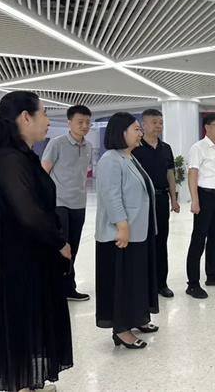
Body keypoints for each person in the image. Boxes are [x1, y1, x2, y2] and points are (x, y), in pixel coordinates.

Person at [0, 91, 73, 392]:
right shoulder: (10, 160)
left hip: (29, 252)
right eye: (44, 113)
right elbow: (29, 214)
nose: (48, 121)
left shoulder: (22, 155)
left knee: (30, 316)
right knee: (21, 317)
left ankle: (28, 383)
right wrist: (60, 242)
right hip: (20, 255)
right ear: (25, 117)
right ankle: (21, 385)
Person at [95, 112, 159, 349]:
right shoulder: (110, 159)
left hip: (138, 231)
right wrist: (121, 225)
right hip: (121, 235)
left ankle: (138, 318)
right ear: (121, 132)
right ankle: (122, 330)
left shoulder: (129, 157)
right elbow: (111, 196)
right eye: (136, 129)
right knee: (123, 283)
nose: (140, 133)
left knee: (136, 280)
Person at [41, 105, 92, 301]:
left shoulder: (88, 146)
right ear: (69, 123)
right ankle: (54, 288)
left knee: (74, 247)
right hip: (59, 202)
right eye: (80, 122)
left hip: (79, 203)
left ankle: (68, 287)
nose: (84, 126)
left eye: (87, 122)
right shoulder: (57, 143)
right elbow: (43, 172)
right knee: (60, 247)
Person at [132, 109, 180, 298]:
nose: (158, 126)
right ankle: (143, 284)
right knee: (142, 241)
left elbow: (170, 174)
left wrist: (174, 199)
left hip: (161, 199)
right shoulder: (135, 148)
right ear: (143, 125)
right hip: (141, 201)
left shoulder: (166, 148)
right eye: (154, 122)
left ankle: (162, 283)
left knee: (161, 241)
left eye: (160, 122)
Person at [186, 113, 215, 299]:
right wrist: (195, 199)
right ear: (207, 127)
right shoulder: (198, 147)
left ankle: (212, 275)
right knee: (198, 240)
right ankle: (192, 284)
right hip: (205, 197)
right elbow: (192, 174)